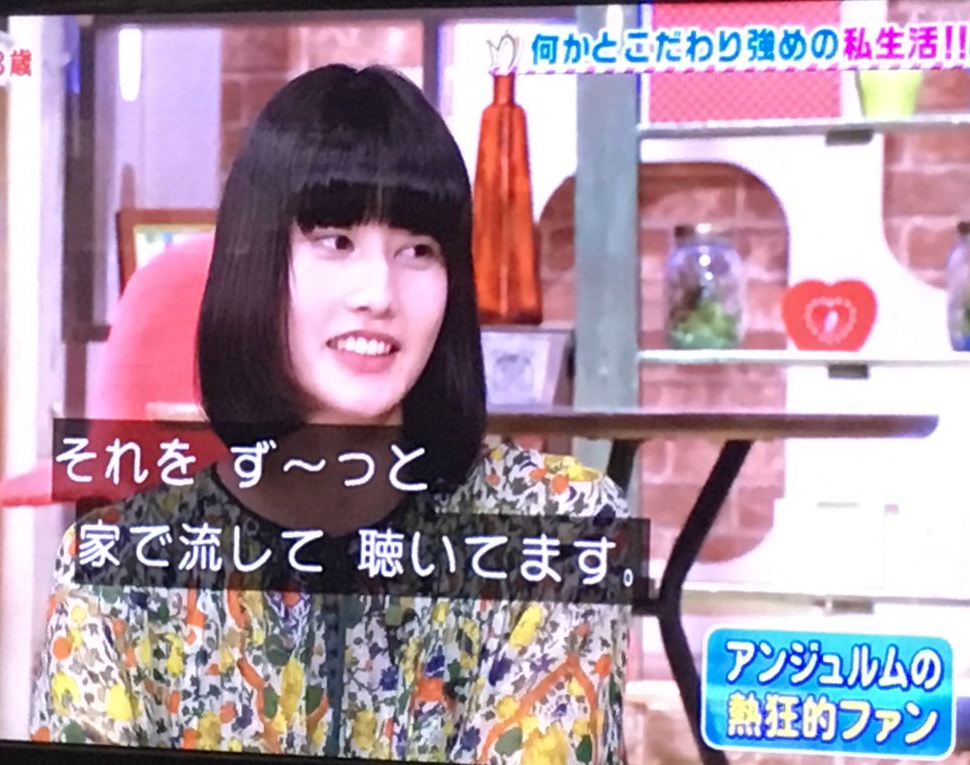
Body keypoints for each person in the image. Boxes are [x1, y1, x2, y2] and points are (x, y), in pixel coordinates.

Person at [31, 63, 630, 764]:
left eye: (418, 250)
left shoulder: (558, 531)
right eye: (335, 241)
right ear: (256, 260)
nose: (378, 293)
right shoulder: (119, 564)